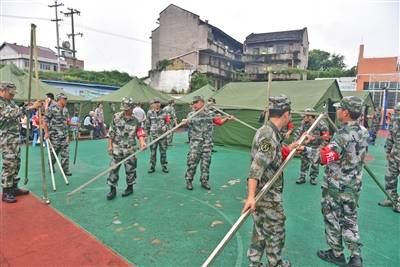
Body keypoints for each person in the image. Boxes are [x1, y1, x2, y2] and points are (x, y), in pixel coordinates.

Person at [298, 96, 368, 267]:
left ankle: (336, 253)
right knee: (350, 219)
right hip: (353, 185)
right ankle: (355, 256)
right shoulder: (363, 131)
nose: (336, 111)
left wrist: (304, 149)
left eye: (339, 109)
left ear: (345, 112)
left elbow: (326, 157)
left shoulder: (343, 134)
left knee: (332, 217)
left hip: (337, 186)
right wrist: (315, 141)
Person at [242, 95, 298, 267]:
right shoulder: (268, 135)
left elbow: (273, 156)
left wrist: (290, 147)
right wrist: (251, 196)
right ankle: (276, 264)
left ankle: (254, 262)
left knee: (259, 230)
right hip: (268, 195)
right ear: (286, 114)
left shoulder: (270, 131)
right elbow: (256, 167)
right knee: (275, 231)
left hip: (263, 193)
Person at [181, 95, 233, 190]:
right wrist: (184, 122)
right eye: (193, 103)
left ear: (202, 102)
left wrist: (227, 119)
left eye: (196, 102)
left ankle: (204, 181)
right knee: (192, 163)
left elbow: (219, 122)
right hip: (195, 144)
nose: (194, 105)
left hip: (207, 144)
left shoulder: (210, 113)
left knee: (206, 164)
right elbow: (186, 124)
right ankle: (189, 180)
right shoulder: (191, 115)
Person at [0, 82, 41, 203]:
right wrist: (30, 107)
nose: (12, 96)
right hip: (6, 138)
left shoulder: (10, 102)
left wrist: (26, 106)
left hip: (14, 138)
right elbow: (10, 114)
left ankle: (14, 187)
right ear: (2, 91)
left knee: (16, 162)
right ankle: (6, 191)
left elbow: (18, 111)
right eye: (10, 93)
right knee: (9, 164)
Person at [106, 97, 146, 200]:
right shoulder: (116, 117)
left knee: (130, 169)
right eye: (124, 108)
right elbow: (111, 132)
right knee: (113, 169)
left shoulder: (136, 120)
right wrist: (110, 146)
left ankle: (129, 187)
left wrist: (142, 143)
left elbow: (140, 132)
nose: (125, 110)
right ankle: (112, 189)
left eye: (127, 108)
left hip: (130, 149)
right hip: (117, 148)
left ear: (132, 108)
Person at [293, 108, 330, 185]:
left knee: (315, 163)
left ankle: (313, 177)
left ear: (310, 116)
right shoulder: (304, 123)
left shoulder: (321, 124)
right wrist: (296, 143)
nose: (303, 118)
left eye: (305, 116)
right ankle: (302, 176)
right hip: (305, 146)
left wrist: (321, 148)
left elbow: (326, 138)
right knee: (304, 162)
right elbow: (298, 132)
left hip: (317, 147)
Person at [44, 93, 72, 176]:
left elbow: (67, 122)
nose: (66, 101)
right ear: (59, 99)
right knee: (54, 153)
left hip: (64, 135)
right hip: (54, 135)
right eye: (64, 99)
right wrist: (46, 133)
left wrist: (73, 126)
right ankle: (51, 165)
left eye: (66, 99)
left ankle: (65, 170)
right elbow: (45, 121)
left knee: (65, 154)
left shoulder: (66, 110)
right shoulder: (52, 108)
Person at [378, 102, 400, 212]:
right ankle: (391, 198)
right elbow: (391, 135)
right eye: (396, 112)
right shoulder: (395, 121)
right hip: (395, 154)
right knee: (390, 177)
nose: (396, 115)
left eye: (398, 112)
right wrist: (388, 151)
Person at [145, 97, 170, 173]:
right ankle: (152, 166)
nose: (157, 104)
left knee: (163, 152)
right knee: (153, 152)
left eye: (158, 102)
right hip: (153, 136)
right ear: (153, 104)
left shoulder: (165, 112)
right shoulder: (149, 112)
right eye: (155, 103)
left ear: (160, 103)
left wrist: (166, 126)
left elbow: (168, 122)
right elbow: (147, 124)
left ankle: (164, 166)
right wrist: (146, 135)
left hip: (162, 136)